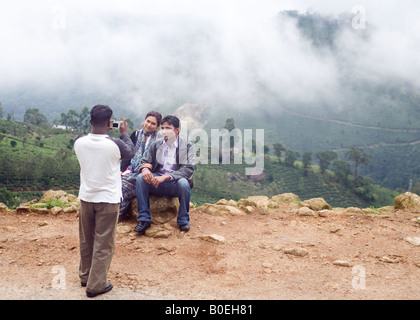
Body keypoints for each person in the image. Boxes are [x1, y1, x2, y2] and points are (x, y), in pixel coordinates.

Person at [74, 105, 134, 298]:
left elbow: (86, 140)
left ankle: (85, 276)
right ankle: (96, 285)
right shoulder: (115, 144)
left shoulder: (79, 142)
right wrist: (124, 133)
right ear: (110, 124)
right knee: (104, 242)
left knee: (87, 239)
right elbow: (131, 153)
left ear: (90, 121)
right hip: (108, 199)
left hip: (86, 197)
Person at [134, 115, 195, 234]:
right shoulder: (156, 144)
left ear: (177, 130)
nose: (164, 131)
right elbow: (145, 161)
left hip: (174, 183)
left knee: (184, 183)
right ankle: (144, 219)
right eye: (162, 128)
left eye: (168, 128)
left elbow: (188, 168)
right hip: (157, 182)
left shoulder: (187, 146)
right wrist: (145, 170)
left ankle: (183, 220)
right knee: (141, 178)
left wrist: (167, 177)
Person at [118, 111, 162, 221]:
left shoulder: (159, 141)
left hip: (145, 173)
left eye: (153, 123)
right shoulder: (136, 135)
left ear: (157, 126)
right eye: (148, 121)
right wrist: (121, 170)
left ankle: (118, 214)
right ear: (144, 121)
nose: (149, 125)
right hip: (131, 169)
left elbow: (157, 162)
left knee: (122, 185)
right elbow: (127, 155)